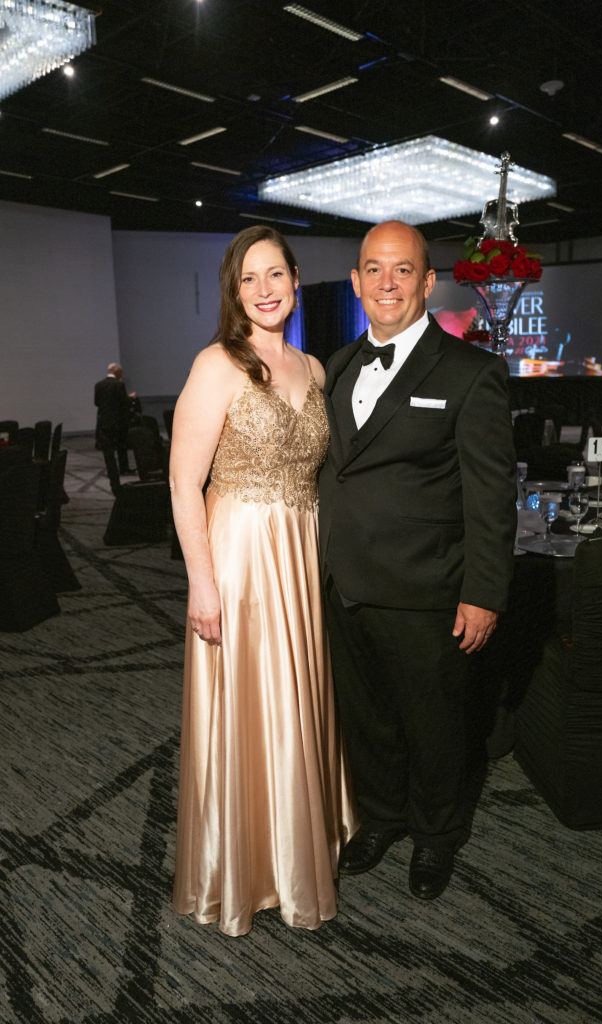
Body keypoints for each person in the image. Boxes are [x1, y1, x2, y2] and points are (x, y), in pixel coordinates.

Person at [318, 220, 517, 901]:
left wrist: (484, 592)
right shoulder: (337, 365)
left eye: (402, 270)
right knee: (366, 718)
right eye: (374, 269)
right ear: (356, 281)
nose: (387, 283)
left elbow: (491, 497)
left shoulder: (471, 372)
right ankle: (382, 816)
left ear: (428, 282)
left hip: (427, 588)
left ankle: (436, 834)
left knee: (435, 727)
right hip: (343, 582)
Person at [170, 225, 355, 937]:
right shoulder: (217, 363)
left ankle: (294, 853)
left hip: (299, 555)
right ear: (235, 290)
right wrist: (202, 582)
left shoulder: (314, 368)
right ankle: (244, 868)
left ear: (296, 279)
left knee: (295, 697)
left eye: (275, 273)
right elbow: (184, 484)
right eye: (249, 278)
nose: (264, 289)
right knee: (250, 704)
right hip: (240, 558)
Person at [94, 362, 133, 473]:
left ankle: (111, 470)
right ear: (117, 371)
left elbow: (96, 402)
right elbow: (123, 403)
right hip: (118, 421)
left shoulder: (98, 385)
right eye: (121, 372)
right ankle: (124, 468)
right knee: (121, 446)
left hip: (104, 421)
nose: (122, 375)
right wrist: (130, 398)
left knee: (108, 449)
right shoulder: (119, 385)